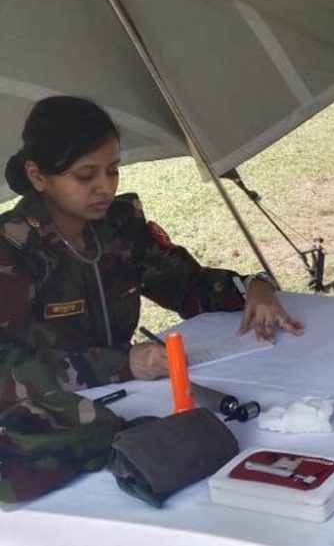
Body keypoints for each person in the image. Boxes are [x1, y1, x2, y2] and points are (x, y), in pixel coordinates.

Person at [0, 96, 304, 503]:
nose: (105, 187)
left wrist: (252, 287)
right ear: (38, 176)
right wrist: (120, 363)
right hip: (47, 432)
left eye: (113, 170)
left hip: (125, 406)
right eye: (86, 175)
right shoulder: (12, 252)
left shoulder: (119, 226)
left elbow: (187, 286)